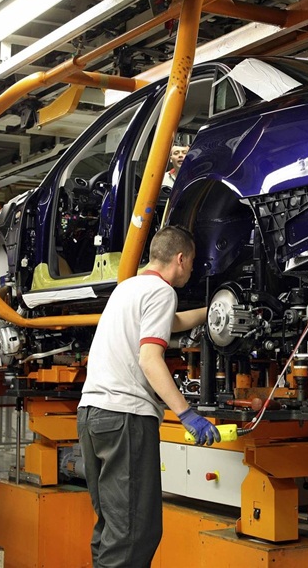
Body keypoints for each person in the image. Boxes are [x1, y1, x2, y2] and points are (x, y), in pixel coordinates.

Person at [77, 225, 213, 568]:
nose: (192, 269)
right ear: (180, 259)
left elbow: (170, 321)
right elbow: (149, 360)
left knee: (113, 527)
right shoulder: (162, 291)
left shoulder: (128, 288)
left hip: (93, 414)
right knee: (134, 533)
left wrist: (210, 312)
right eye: (192, 261)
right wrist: (186, 414)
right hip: (125, 417)